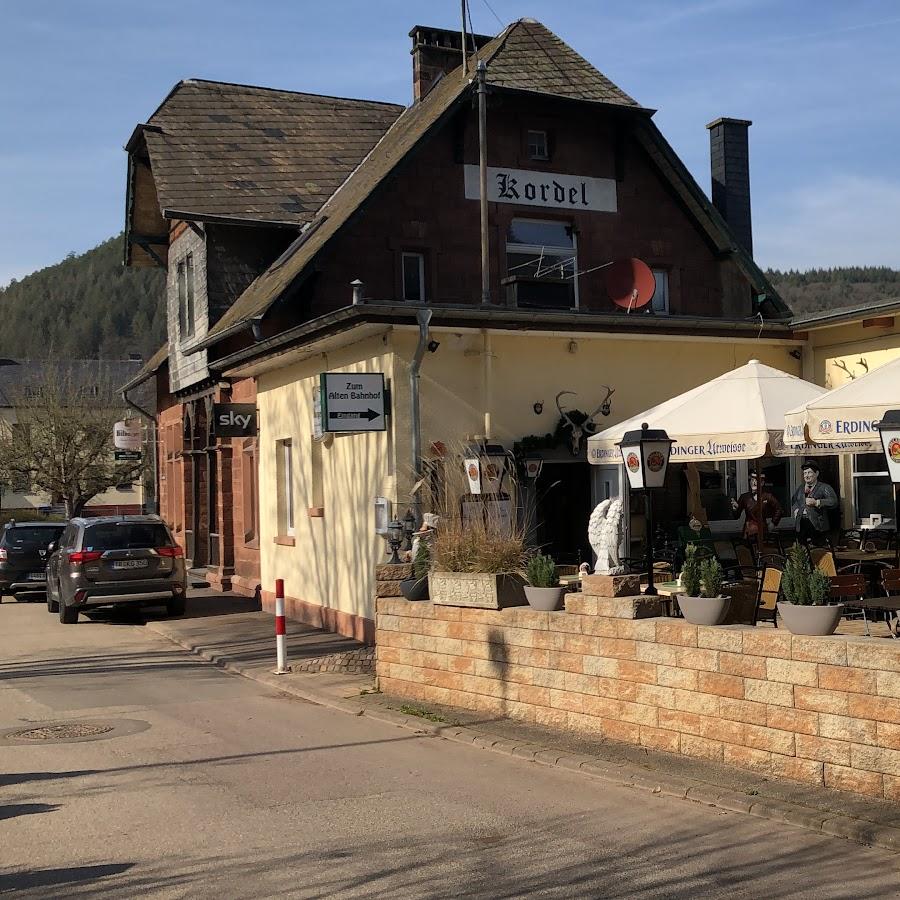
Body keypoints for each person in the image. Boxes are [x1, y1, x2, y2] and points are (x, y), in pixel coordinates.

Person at [791, 461, 837, 546]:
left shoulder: (824, 487)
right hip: (801, 525)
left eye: (809, 472)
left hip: (817, 526)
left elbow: (833, 501)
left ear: (816, 473)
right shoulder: (800, 488)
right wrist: (795, 509)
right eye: (805, 473)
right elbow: (794, 500)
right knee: (801, 549)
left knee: (818, 549)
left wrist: (817, 502)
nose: (806, 475)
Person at [731, 473, 783, 541]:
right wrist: (735, 509)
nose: (754, 483)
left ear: (762, 483)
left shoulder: (767, 496)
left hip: (762, 530)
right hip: (749, 531)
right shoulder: (744, 497)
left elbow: (779, 509)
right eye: (752, 480)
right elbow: (736, 516)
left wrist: (773, 523)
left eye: (756, 480)